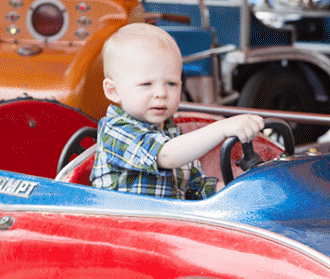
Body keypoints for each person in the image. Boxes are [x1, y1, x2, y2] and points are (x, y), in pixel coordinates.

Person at [91, 23, 263, 199]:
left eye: (171, 84)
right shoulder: (117, 131)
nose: (161, 93)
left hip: (167, 221)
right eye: (146, 84)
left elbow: (196, 189)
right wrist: (222, 127)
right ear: (113, 90)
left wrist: (238, 187)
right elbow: (166, 155)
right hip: (125, 224)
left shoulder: (171, 132)